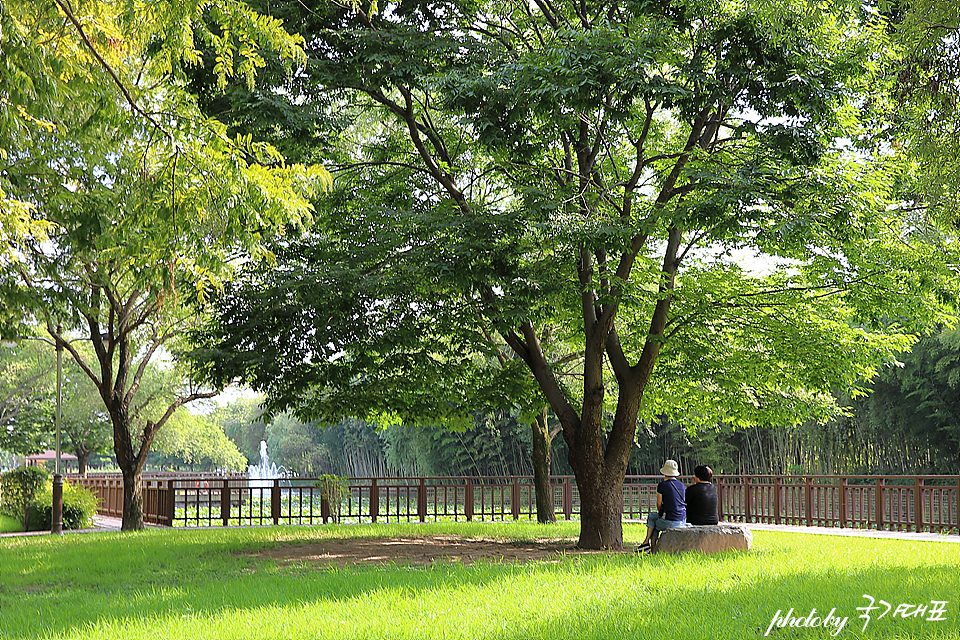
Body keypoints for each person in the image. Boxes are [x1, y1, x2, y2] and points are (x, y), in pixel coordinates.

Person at [638, 459, 689, 551]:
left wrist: (660, 513)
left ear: (665, 473)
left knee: (654, 523)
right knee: (653, 517)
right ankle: (647, 544)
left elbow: (658, 503)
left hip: (670, 520)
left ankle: (651, 547)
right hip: (682, 519)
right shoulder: (681, 485)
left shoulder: (662, 485)